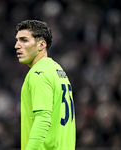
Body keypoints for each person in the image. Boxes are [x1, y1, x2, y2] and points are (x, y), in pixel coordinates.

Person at [15, 20, 76, 150]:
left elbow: (43, 118)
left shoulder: (39, 73)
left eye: (24, 40)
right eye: (17, 40)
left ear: (41, 45)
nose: (17, 45)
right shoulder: (57, 70)